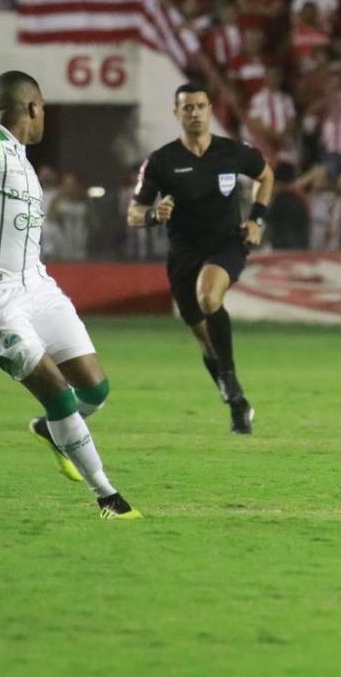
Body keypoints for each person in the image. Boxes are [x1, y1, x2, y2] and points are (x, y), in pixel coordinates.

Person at [0, 71, 140, 519]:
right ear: (32, 107)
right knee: (59, 395)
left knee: (96, 389)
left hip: (35, 286)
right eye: (44, 108)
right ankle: (108, 497)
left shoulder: (22, 160)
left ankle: (54, 433)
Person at [127, 83, 275, 434]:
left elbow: (266, 176)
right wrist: (153, 215)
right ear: (176, 113)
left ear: (210, 110)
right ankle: (237, 403)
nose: (194, 113)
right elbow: (134, 212)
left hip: (226, 245)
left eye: (200, 106)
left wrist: (256, 219)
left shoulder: (233, 152)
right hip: (183, 255)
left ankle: (230, 380)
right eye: (187, 108)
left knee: (209, 296)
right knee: (204, 338)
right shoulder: (162, 162)